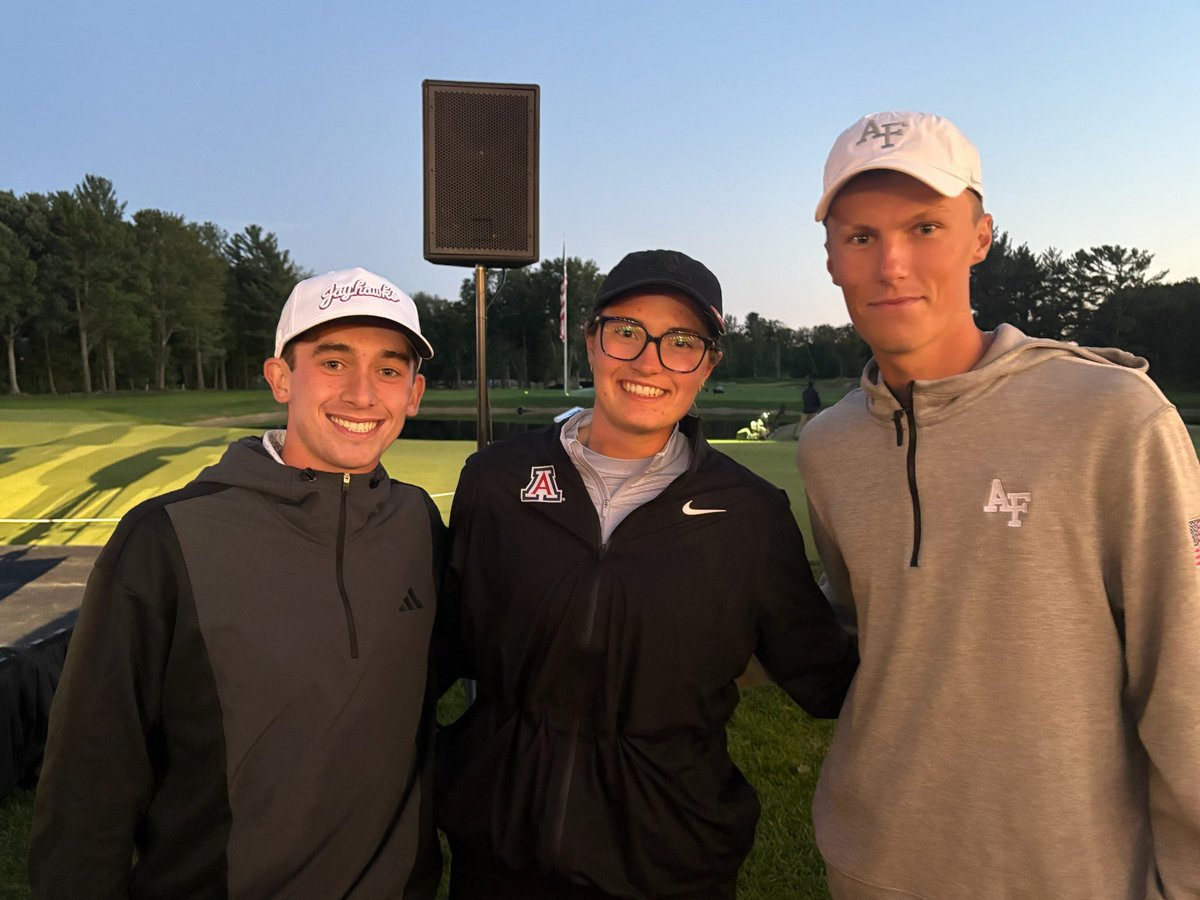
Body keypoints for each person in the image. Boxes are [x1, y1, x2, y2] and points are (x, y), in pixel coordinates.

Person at [797, 111, 1200, 898]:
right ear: (830, 260)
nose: (892, 264)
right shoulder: (829, 445)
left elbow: (1185, 670)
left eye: (924, 227)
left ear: (981, 236)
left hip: (1070, 874)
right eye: (860, 238)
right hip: (874, 865)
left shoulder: (1114, 414)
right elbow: (854, 625)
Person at [437, 249, 857, 899]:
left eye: (681, 341)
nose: (649, 360)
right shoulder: (494, 481)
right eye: (627, 331)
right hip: (501, 849)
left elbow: (823, 674)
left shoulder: (749, 513)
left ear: (709, 362)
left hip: (670, 857)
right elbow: (436, 645)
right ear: (592, 342)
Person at [29, 268, 444, 898]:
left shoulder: (420, 525)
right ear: (281, 377)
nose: (363, 395)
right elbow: (91, 772)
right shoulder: (165, 537)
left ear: (413, 393)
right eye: (333, 362)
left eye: (388, 370)